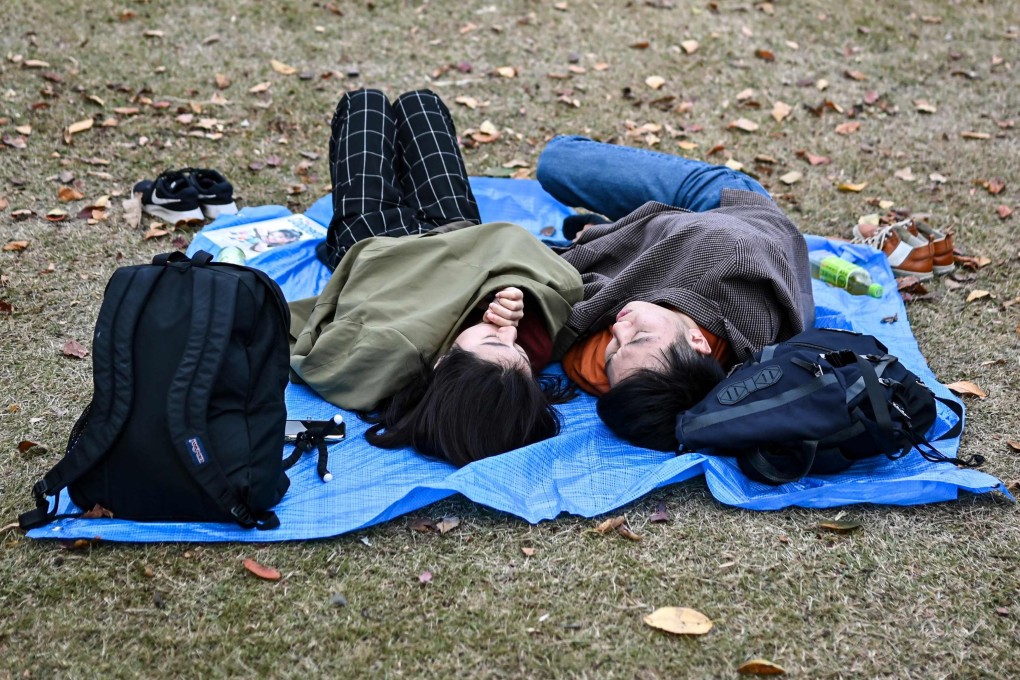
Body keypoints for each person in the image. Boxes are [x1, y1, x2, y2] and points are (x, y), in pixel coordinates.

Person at [289, 90, 583, 466]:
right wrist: (512, 291)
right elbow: (551, 275)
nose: (509, 334)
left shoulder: (383, 358)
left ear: (443, 365)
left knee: (364, 105)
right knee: (422, 104)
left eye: (495, 341)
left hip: (378, 241)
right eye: (520, 352)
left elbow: (314, 348)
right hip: (456, 233)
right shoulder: (514, 364)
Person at [536, 135, 815, 451]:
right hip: (729, 207)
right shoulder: (728, 256)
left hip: (677, 239)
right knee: (557, 161)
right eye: (640, 336)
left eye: (612, 350)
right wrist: (606, 239)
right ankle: (604, 229)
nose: (617, 327)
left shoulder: (661, 372)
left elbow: (590, 365)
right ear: (698, 341)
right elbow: (655, 225)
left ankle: (604, 231)